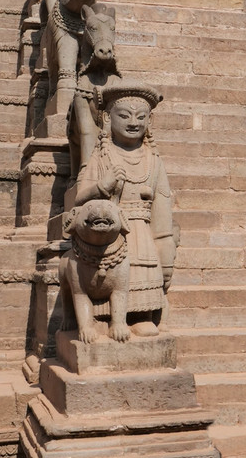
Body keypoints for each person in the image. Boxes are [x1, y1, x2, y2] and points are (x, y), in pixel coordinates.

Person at [71, 82, 175, 336]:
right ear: (107, 118)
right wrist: (101, 187)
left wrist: (166, 248)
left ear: (149, 121)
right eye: (124, 115)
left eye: (141, 117)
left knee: (142, 271)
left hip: (142, 232)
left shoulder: (153, 160)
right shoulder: (102, 155)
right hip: (108, 235)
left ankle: (140, 314)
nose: (133, 122)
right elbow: (78, 199)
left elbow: (162, 209)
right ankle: (102, 316)